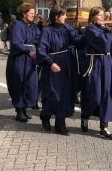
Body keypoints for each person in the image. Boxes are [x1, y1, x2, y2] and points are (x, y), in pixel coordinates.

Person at [36, 7, 83, 135]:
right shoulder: (47, 31)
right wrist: (50, 63)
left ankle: (60, 125)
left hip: (66, 64)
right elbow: (41, 50)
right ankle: (45, 115)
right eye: (64, 15)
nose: (66, 17)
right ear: (56, 17)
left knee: (65, 95)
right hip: (52, 66)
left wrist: (88, 32)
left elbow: (77, 41)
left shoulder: (66, 28)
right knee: (53, 95)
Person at [80, 7, 112, 140]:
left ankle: (104, 126)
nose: (103, 18)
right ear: (93, 17)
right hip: (95, 64)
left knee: (107, 94)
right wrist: (109, 29)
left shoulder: (103, 29)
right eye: (100, 15)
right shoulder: (90, 30)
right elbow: (104, 45)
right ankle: (85, 115)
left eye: (103, 15)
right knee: (94, 95)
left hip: (107, 63)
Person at [6, 3, 40, 122]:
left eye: (33, 13)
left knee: (30, 85)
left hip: (30, 59)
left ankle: (25, 108)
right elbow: (16, 42)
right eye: (31, 13)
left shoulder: (33, 26)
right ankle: (19, 111)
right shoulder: (18, 26)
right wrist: (28, 50)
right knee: (19, 84)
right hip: (19, 59)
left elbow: (38, 39)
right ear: (24, 14)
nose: (33, 15)